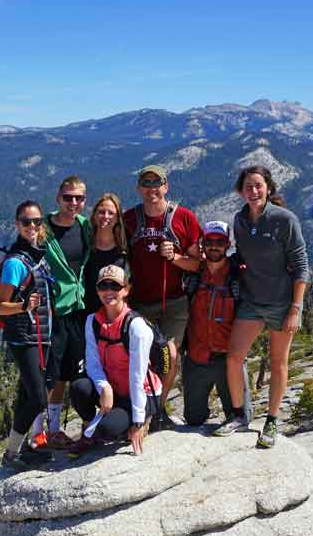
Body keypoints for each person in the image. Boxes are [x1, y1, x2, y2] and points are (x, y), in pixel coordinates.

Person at [225, 166, 309, 449]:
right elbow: (243, 254)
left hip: (282, 303)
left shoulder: (285, 220)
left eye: (258, 185)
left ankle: (271, 421)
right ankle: (239, 416)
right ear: (241, 190)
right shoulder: (239, 220)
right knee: (234, 357)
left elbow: (301, 266)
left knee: (278, 362)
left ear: (269, 188)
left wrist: (295, 308)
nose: (254, 191)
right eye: (248, 186)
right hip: (252, 300)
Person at [122, 165, 201, 409]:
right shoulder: (130, 219)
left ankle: (158, 409)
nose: (151, 189)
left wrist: (175, 258)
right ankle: (140, 407)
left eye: (156, 184)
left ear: (166, 186)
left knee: (170, 356)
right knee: (142, 359)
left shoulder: (184, 217)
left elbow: (197, 264)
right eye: (146, 184)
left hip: (175, 303)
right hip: (140, 305)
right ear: (139, 189)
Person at [69, 265, 161, 456]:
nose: (109, 291)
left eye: (115, 286)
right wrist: (105, 387)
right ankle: (88, 433)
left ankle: (144, 420)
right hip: (115, 389)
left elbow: (137, 376)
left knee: (107, 430)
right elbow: (92, 363)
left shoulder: (136, 327)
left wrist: (137, 422)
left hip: (142, 394)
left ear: (126, 290)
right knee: (79, 387)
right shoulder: (92, 322)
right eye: (103, 286)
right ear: (97, 290)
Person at [31, 175, 93, 450]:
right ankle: (36, 432)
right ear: (58, 199)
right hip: (52, 312)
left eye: (79, 198)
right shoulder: (43, 229)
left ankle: (54, 429)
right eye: (68, 197)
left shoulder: (84, 227)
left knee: (65, 374)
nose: (73, 202)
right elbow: (22, 257)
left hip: (78, 310)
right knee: (48, 374)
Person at [0, 200, 55, 471]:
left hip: (39, 334)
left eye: (37, 222)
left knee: (26, 396)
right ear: (17, 224)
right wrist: (23, 306)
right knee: (39, 398)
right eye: (27, 222)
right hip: (24, 337)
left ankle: (20, 449)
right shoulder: (16, 263)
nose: (33, 226)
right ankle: (10, 456)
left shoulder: (36, 254)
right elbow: (0, 306)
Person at [180, 220, 253, 432]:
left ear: (227, 244)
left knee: (242, 418)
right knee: (193, 420)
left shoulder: (238, 275)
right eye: (209, 241)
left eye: (219, 241)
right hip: (196, 359)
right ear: (202, 243)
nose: (214, 246)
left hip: (227, 361)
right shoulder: (193, 273)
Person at [81, 193, 129, 316]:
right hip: (85, 310)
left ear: (118, 218)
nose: (106, 216)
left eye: (111, 213)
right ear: (95, 215)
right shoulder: (85, 242)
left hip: (114, 311)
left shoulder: (125, 247)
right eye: (101, 212)